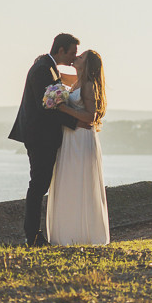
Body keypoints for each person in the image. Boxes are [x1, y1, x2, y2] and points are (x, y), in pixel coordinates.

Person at [9, 33, 82, 247]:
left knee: (40, 183)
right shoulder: (43, 69)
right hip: (40, 137)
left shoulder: (48, 66)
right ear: (60, 50)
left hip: (42, 135)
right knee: (39, 184)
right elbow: (48, 107)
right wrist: (77, 123)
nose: (72, 58)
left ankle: (34, 234)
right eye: (71, 53)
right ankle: (32, 235)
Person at [47, 49, 110, 245]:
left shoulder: (89, 86)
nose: (76, 58)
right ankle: (68, 231)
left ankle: (84, 234)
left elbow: (91, 117)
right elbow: (53, 70)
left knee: (80, 182)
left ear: (88, 64)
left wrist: (63, 108)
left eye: (80, 57)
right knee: (68, 182)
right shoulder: (74, 80)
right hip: (70, 137)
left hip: (81, 139)